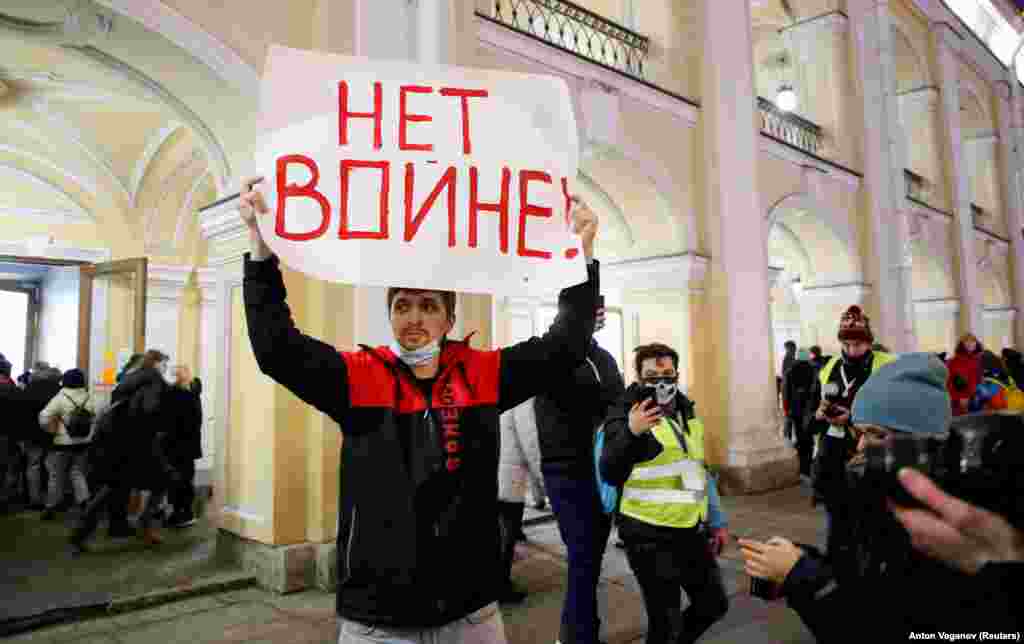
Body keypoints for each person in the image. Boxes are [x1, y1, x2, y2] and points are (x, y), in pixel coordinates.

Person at [239, 177, 600, 643]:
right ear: (389, 315)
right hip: (378, 619)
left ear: (450, 320)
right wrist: (261, 250)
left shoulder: (482, 374)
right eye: (402, 305)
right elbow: (276, 349)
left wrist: (582, 257)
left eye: (428, 306)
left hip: (471, 612)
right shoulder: (358, 376)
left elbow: (564, 346)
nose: (413, 317)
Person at [739, 353, 1023, 638]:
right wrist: (802, 561)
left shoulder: (952, 527)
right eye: (859, 432)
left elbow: (881, 626)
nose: (861, 444)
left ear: (918, 442)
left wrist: (803, 578)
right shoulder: (887, 492)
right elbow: (857, 577)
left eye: (875, 434)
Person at [600, 343, 729, 644]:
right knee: (665, 622)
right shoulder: (624, 412)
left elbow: (698, 466)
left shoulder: (685, 409)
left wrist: (717, 520)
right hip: (647, 534)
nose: (662, 382)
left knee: (713, 604)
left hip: (689, 529)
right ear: (638, 378)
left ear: (677, 375)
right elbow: (609, 469)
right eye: (652, 375)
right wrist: (631, 432)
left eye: (668, 374)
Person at [534, 315, 625, 644]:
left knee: (587, 560)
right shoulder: (551, 357)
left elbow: (617, 411)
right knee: (584, 559)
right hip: (566, 473)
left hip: (597, 471)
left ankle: (582, 630)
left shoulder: (603, 360)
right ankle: (576, 636)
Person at [72, 350, 174, 551]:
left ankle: (80, 532)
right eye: (164, 364)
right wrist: (161, 423)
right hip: (140, 443)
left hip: (117, 443)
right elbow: (150, 410)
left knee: (112, 487)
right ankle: (145, 525)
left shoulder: (130, 379)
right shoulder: (153, 380)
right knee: (163, 481)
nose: (165, 368)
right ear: (155, 363)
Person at [811, 305, 893, 554]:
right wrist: (820, 413)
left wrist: (851, 419)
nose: (851, 350)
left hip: (868, 455)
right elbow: (815, 410)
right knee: (837, 522)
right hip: (833, 456)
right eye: (846, 344)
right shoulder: (830, 366)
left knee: (869, 523)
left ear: (869, 342)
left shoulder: (886, 366)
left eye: (857, 344)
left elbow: (894, 412)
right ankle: (838, 567)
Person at [497, 397, 547, 604]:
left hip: (492, 475)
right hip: (508, 478)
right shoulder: (521, 398)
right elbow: (530, 439)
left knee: (498, 535)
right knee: (505, 537)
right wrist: (543, 478)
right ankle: (501, 587)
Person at [37, 368, 95, 520]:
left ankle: (51, 506)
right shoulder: (89, 397)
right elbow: (96, 418)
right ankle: (84, 503)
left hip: (62, 443)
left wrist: (52, 429)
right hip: (84, 443)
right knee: (78, 473)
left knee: (56, 475)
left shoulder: (61, 397)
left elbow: (44, 417)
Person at [163, 366, 203, 528]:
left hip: (174, 444)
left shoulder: (172, 395)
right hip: (187, 445)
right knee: (185, 479)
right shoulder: (192, 396)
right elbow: (195, 421)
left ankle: (178, 513)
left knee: (177, 480)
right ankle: (184, 513)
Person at [21, 366, 62, 511]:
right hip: (53, 435)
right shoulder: (58, 390)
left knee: (33, 466)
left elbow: (23, 414)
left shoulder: (29, 389)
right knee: (53, 469)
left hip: (32, 435)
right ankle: (51, 501)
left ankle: (35, 500)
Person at [783, 349, 818, 479]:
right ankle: (808, 465)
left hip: (796, 410)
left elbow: (786, 392)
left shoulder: (790, 371)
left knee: (800, 436)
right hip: (811, 409)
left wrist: (787, 409)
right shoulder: (814, 370)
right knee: (809, 438)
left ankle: (802, 466)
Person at [946, 333, 983, 416]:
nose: (970, 343)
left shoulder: (980, 359)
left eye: (973, 341)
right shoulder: (954, 361)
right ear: (962, 344)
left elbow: (980, 379)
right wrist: (961, 396)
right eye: (967, 341)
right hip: (960, 400)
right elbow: (952, 381)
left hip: (978, 398)